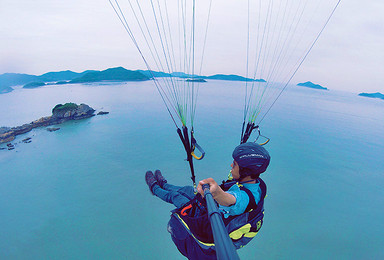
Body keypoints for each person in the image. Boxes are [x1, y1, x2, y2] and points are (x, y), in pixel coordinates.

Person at [145, 142, 270, 259]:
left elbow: (230, 200)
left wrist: (215, 192)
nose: (231, 165)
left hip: (209, 219)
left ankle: (154, 188)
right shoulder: (256, 184)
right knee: (188, 190)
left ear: (245, 171)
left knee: (176, 197)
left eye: (235, 164)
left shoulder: (244, 199)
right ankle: (164, 184)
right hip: (213, 208)